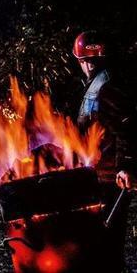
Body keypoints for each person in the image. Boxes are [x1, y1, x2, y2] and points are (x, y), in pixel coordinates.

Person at [73, 30, 136, 269]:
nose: (88, 65)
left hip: (112, 179)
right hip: (99, 175)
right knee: (100, 242)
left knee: (109, 243)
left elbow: (126, 129)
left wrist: (125, 167)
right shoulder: (95, 86)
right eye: (85, 61)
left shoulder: (108, 87)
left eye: (92, 60)